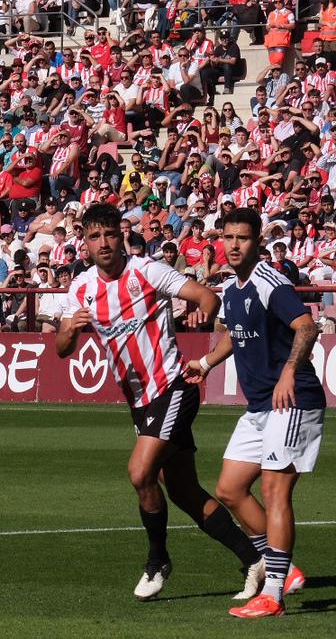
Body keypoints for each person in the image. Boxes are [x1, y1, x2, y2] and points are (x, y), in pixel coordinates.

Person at [56, 201, 261, 602]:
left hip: (173, 387)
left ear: (122, 236)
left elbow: (204, 296)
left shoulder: (146, 271)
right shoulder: (79, 288)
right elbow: (62, 347)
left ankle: (157, 560)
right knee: (183, 490)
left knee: (139, 472)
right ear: (84, 242)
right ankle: (253, 557)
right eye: (94, 236)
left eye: (110, 234)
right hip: (139, 402)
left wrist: (205, 309)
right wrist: (72, 330)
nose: (103, 243)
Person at [183, 207, 319, 618]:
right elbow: (234, 337)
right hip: (260, 406)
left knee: (276, 492)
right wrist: (205, 364)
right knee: (229, 489)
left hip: (292, 400)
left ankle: (273, 594)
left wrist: (289, 372)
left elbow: (307, 326)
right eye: (229, 237)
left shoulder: (269, 283)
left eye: (243, 237)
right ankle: (285, 569)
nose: (235, 245)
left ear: (257, 241)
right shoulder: (232, 287)